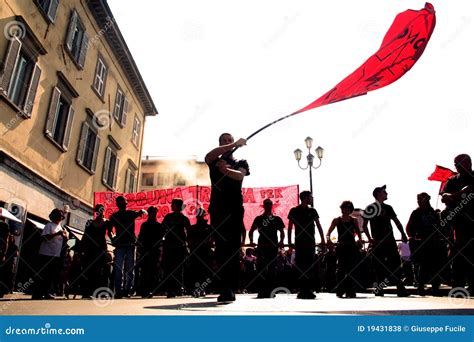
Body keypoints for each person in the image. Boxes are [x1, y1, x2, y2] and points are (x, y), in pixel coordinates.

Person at [205, 133, 249, 302]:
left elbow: (240, 176)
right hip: (218, 210)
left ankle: (231, 287)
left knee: (233, 249)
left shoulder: (241, 162)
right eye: (224, 141)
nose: (227, 143)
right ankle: (224, 287)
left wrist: (226, 170)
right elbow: (209, 155)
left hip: (235, 210)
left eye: (230, 140)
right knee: (221, 250)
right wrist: (234, 144)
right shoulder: (214, 161)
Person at [362, 185, 409, 297]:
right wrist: (369, 239)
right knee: (379, 265)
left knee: (396, 264)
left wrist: (403, 233)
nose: (386, 193)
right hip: (378, 242)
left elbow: (396, 221)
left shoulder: (388, 208)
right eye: (384, 192)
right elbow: (364, 225)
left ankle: (400, 287)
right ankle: (380, 287)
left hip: (389, 240)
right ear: (378, 194)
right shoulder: (370, 208)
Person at [441, 154, 474, 293]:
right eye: (455, 163)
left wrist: (454, 196)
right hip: (459, 224)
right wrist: (457, 194)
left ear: (468, 163)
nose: (456, 166)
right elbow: (444, 197)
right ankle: (458, 284)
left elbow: (470, 189)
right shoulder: (452, 180)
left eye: (458, 163)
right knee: (458, 254)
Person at [288, 191, 326, 299]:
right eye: (310, 197)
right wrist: (290, 242)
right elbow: (290, 227)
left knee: (309, 266)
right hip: (299, 242)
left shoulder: (312, 211)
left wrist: (323, 240)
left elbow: (318, 225)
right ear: (305, 198)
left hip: (310, 242)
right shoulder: (294, 211)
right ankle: (302, 290)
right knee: (301, 266)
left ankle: (308, 289)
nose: (311, 198)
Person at [107, 196, 146, 298]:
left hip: (129, 244)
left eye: (123, 203)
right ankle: (121, 290)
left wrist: (112, 239)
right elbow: (110, 230)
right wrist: (113, 239)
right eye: (121, 203)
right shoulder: (117, 216)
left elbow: (140, 212)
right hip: (122, 245)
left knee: (127, 268)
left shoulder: (128, 214)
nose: (122, 204)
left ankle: (125, 290)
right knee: (122, 268)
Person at [406, 192, 444, 296]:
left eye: (420, 199)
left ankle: (435, 287)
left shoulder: (433, 212)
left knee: (436, 265)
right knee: (423, 265)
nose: (418, 201)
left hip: (434, 242)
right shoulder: (416, 212)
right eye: (417, 199)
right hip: (422, 242)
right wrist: (411, 237)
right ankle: (420, 286)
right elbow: (409, 227)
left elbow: (439, 226)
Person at [249, 199, 285, 298]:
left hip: (273, 247)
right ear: (263, 206)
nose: (268, 206)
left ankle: (270, 290)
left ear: (272, 206)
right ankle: (262, 290)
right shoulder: (259, 219)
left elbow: (282, 232)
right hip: (262, 247)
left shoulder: (277, 219)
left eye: (270, 204)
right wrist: (251, 241)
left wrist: (281, 241)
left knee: (272, 269)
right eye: (266, 204)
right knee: (261, 268)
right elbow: (251, 231)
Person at [326, 201, 363, 298]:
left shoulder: (354, 220)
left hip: (351, 247)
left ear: (351, 209)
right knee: (341, 269)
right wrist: (328, 240)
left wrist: (360, 240)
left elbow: (359, 233)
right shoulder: (337, 220)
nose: (346, 209)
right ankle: (340, 289)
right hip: (341, 247)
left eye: (348, 208)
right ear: (341, 208)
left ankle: (350, 290)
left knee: (351, 269)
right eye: (344, 207)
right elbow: (328, 233)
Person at [32, 209, 68, 300]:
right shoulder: (49, 225)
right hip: (46, 253)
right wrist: (57, 234)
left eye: (61, 216)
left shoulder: (61, 227)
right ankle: (37, 293)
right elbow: (44, 238)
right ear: (54, 216)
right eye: (58, 215)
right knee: (43, 274)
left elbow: (64, 242)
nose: (60, 217)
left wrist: (66, 237)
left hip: (55, 255)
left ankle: (46, 292)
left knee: (50, 275)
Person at [161, 199, 191, 298]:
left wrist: (186, 244)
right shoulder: (169, 217)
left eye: (173, 204)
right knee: (171, 268)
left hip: (178, 246)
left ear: (177, 206)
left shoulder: (183, 218)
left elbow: (189, 232)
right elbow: (162, 230)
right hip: (170, 246)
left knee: (177, 268)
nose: (171, 205)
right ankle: (172, 289)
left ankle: (177, 289)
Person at [80, 204, 109, 298]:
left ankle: (99, 292)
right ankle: (86, 292)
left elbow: (111, 234)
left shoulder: (107, 222)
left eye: (102, 210)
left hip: (101, 248)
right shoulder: (90, 222)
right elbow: (85, 236)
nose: (100, 212)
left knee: (100, 270)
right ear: (96, 211)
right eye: (98, 210)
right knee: (89, 269)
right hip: (90, 248)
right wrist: (79, 249)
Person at [137, 206, 165, 298]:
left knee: (153, 271)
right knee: (145, 270)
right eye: (152, 212)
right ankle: (143, 290)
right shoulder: (144, 225)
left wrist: (159, 249)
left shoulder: (159, 226)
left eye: (154, 212)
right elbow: (140, 238)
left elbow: (162, 239)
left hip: (155, 251)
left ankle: (151, 290)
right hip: (146, 250)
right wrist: (140, 248)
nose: (153, 214)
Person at [186, 209, 213, 297]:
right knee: (196, 272)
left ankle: (202, 289)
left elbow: (212, 239)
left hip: (205, 252)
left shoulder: (208, 227)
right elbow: (189, 240)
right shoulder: (192, 228)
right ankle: (197, 289)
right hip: (196, 252)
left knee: (204, 272)